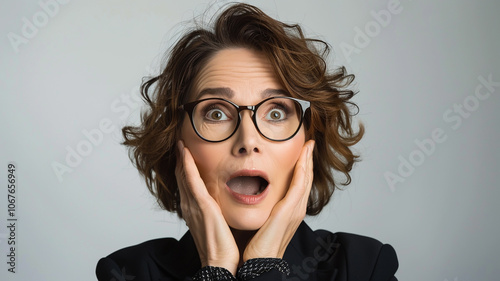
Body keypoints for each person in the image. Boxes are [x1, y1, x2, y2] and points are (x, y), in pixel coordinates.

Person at [96, 3, 398, 281]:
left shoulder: (362, 267)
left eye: (276, 112)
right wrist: (216, 268)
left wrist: (263, 269)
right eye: (216, 113)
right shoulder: (128, 272)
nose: (248, 140)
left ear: (309, 139)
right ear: (177, 140)